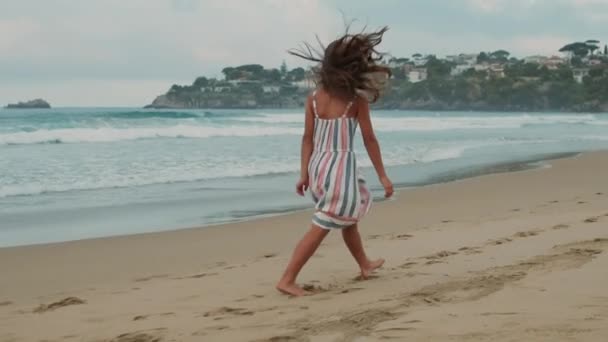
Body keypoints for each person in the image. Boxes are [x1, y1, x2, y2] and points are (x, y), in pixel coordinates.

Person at [276, 27, 394, 296]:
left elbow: (307, 138)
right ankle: (287, 278)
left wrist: (304, 173)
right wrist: (383, 176)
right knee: (323, 224)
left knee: (347, 216)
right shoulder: (355, 100)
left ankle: (364, 264)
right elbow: (369, 139)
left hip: (320, 167)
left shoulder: (314, 99)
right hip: (340, 168)